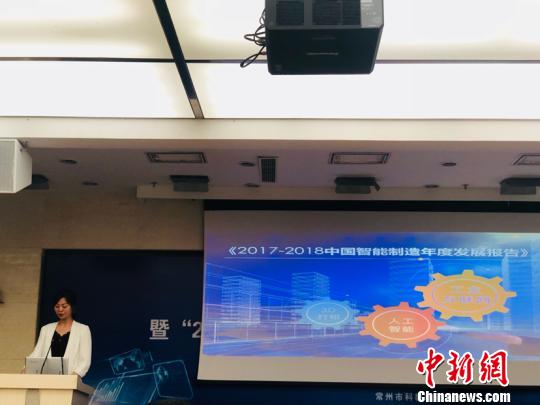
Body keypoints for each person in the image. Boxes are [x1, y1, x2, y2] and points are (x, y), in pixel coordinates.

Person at [26, 289, 92, 378]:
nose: (60, 309)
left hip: (70, 380)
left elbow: (85, 361)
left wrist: (73, 376)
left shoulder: (83, 330)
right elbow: (36, 354)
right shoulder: (46, 329)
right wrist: (26, 368)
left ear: (72, 307)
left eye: (64, 306)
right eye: (57, 306)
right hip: (46, 379)